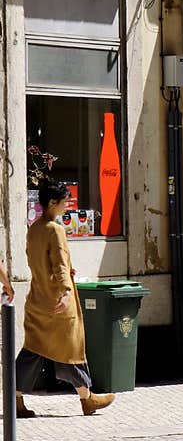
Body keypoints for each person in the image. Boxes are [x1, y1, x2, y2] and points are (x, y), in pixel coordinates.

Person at [15, 179, 115, 418]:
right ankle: (87, 399)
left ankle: (15, 398)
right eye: (64, 201)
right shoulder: (55, 229)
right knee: (71, 349)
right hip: (58, 302)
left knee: (33, 351)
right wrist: (66, 290)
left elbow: (36, 262)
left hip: (38, 298)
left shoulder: (35, 228)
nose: (67, 206)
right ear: (52, 202)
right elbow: (59, 264)